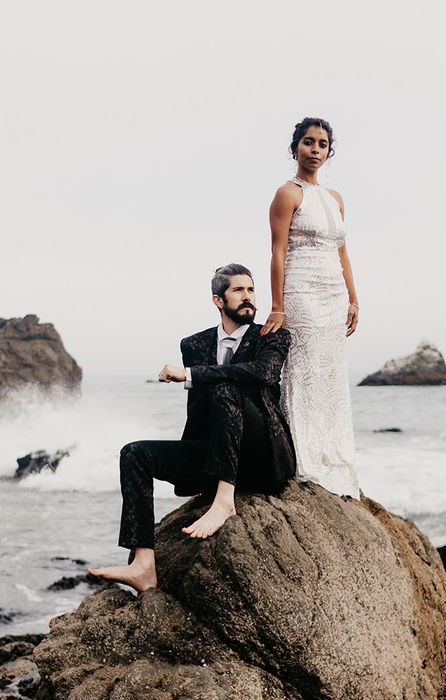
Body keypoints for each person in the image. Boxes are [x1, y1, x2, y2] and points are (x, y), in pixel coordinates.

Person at [89, 264, 296, 592]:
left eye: (251, 290)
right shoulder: (194, 344)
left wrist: (191, 374)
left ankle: (224, 501)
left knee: (223, 385)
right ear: (218, 300)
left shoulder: (271, 334)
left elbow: (263, 374)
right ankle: (142, 563)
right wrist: (192, 469)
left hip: (262, 456)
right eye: (238, 291)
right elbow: (197, 409)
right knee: (134, 454)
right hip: (213, 449)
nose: (248, 298)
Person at [261, 117, 361, 499]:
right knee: (303, 372)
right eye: (308, 142)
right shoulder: (288, 193)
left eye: (322, 144)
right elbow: (278, 251)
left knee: (331, 377)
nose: (315, 150)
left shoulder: (336, 199)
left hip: (334, 294)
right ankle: (301, 458)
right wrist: (278, 306)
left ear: (329, 152)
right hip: (301, 290)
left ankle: (332, 456)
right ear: (295, 149)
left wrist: (353, 298)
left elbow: (343, 251)